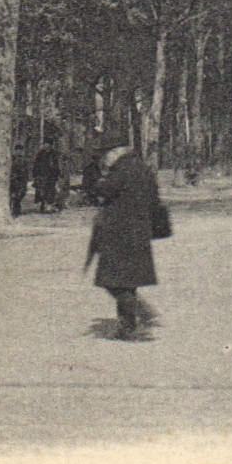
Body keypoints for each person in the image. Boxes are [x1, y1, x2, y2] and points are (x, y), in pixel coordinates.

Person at [85, 144, 163, 341]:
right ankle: (131, 322)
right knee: (127, 282)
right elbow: (154, 199)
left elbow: (101, 189)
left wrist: (96, 176)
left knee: (116, 282)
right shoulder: (142, 168)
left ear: (116, 152)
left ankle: (133, 323)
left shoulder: (121, 170)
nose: (106, 158)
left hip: (120, 233)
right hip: (138, 232)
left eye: (106, 154)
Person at [31, 136, 61, 213]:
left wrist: (57, 174)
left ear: (51, 145)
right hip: (41, 175)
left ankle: (49, 206)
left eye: (48, 144)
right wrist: (35, 174)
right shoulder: (40, 154)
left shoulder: (54, 154)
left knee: (50, 191)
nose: (46, 145)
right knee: (41, 191)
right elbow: (36, 164)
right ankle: (42, 204)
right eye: (45, 144)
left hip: (51, 176)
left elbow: (57, 165)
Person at [8, 149, 30, 217]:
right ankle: (13, 209)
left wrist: (26, 178)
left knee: (21, 194)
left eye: (20, 150)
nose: (19, 152)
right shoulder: (11, 159)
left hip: (21, 179)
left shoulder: (24, 160)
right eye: (17, 150)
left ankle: (16, 208)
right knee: (12, 194)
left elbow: (26, 170)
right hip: (13, 179)